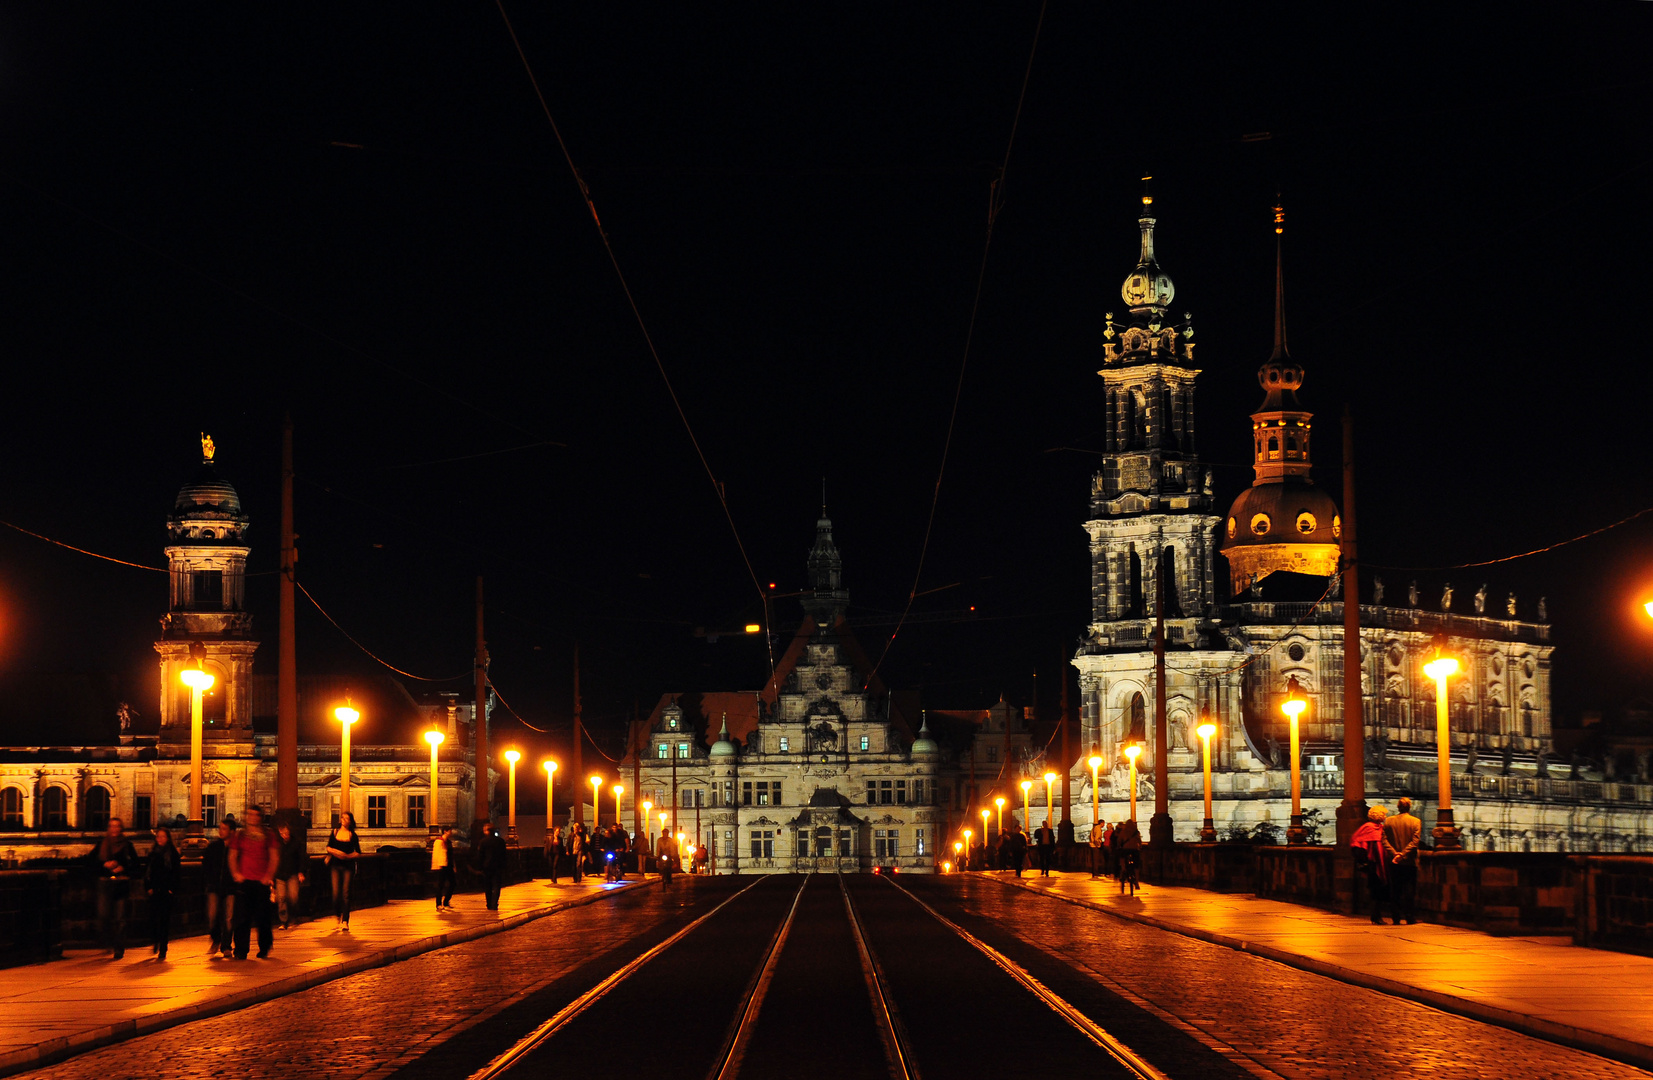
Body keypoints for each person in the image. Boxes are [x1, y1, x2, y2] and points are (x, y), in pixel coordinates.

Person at [228, 807, 281, 959]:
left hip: (261, 881)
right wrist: (236, 873)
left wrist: (269, 875)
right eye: (250, 815)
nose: (252, 818)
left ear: (260, 818)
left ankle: (264, 947)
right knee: (241, 918)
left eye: (256, 815)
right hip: (244, 880)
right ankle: (240, 950)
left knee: (262, 918)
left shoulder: (268, 835)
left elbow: (274, 857)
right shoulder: (240, 836)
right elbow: (232, 856)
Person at [89, 816, 138, 959]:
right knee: (103, 916)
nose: (115, 829)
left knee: (120, 918)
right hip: (104, 885)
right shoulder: (101, 845)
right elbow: (90, 863)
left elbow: (135, 865)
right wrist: (104, 865)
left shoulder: (128, 846)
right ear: (108, 829)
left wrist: (123, 868)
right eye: (112, 826)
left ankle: (119, 947)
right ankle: (110, 941)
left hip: (121, 885)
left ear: (121, 828)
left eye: (117, 826)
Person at [1382, 796, 1423, 925]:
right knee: (1409, 890)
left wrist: (1395, 854)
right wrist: (1403, 854)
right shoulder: (1415, 821)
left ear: (1398, 807)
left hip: (1394, 861)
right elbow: (1415, 841)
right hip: (1409, 862)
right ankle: (1410, 917)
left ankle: (1395, 916)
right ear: (1409, 807)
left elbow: (1384, 840)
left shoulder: (1388, 821)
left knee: (1395, 890)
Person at [144, 825, 182, 960]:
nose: (160, 839)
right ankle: (156, 940)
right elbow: (147, 872)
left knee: (164, 920)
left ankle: (163, 947)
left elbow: (176, 873)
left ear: (167, 838)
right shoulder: (153, 852)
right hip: (155, 890)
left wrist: (172, 889)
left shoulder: (172, 853)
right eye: (158, 836)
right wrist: (148, 887)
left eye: (162, 836)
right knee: (154, 919)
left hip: (166, 891)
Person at [1351, 806, 1391, 925]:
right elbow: (1358, 842)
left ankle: (1377, 915)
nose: (1385, 817)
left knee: (1379, 890)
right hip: (1373, 864)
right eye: (1383, 814)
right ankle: (1375, 916)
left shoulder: (1380, 828)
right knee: (1376, 890)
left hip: (1380, 863)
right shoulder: (1368, 828)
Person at [202, 820, 236, 957]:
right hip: (214, 886)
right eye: (220, 828)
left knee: (229, 917)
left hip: (230, 887)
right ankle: (216, 939)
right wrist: (208, 880)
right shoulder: (213, 847)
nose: (220, 831)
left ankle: (226, 945)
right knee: (212, 916)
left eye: (224, 829)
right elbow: (206, 865)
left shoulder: (235, 848)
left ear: (232, 831)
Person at [324, 811, 362, 928]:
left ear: (350, 821)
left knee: (345, 893)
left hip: (347, 866)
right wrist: (337, 853)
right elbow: (328, 847)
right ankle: (337, 913)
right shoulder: (335, 832)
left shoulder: (352, 835)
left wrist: (347, 856)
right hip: (335, 865)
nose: (344, 820)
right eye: (342, 818)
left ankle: (345, 920)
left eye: (346, 818)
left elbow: (358, 852)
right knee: (335, 893)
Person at [273, 821, 307, 929]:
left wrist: (301, 872)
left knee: (293, 897)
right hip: (280, 874)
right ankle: (284, 921)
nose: (285, 836)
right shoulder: (277, 843)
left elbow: (302, 858)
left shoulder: (296, 843)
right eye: (282, 834)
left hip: (292, 873)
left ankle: (293, 917)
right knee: (281, 898)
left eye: (286, 833)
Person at [476, 820, 509, 910]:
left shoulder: (483, 842)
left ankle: (489, 903)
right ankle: (494, 903)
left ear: (487, 831)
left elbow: (480, 855)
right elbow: (504, 854)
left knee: (488, 886)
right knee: (497, 885)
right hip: (498, 866)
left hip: (487, 866)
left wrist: (479, 867)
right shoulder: (500, 841)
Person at [433, 827, 456, 909]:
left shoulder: (449, 842)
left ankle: (446, 901)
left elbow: (451, 855)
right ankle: (438, 903)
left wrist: (454, 866)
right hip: (442, 865)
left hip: (449, 865)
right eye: (450, 831)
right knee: (440, 884)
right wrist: (436, 865)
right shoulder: (439, 841)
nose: (451, 832)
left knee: (453, 883)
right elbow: (436, 854)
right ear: (445, 831)